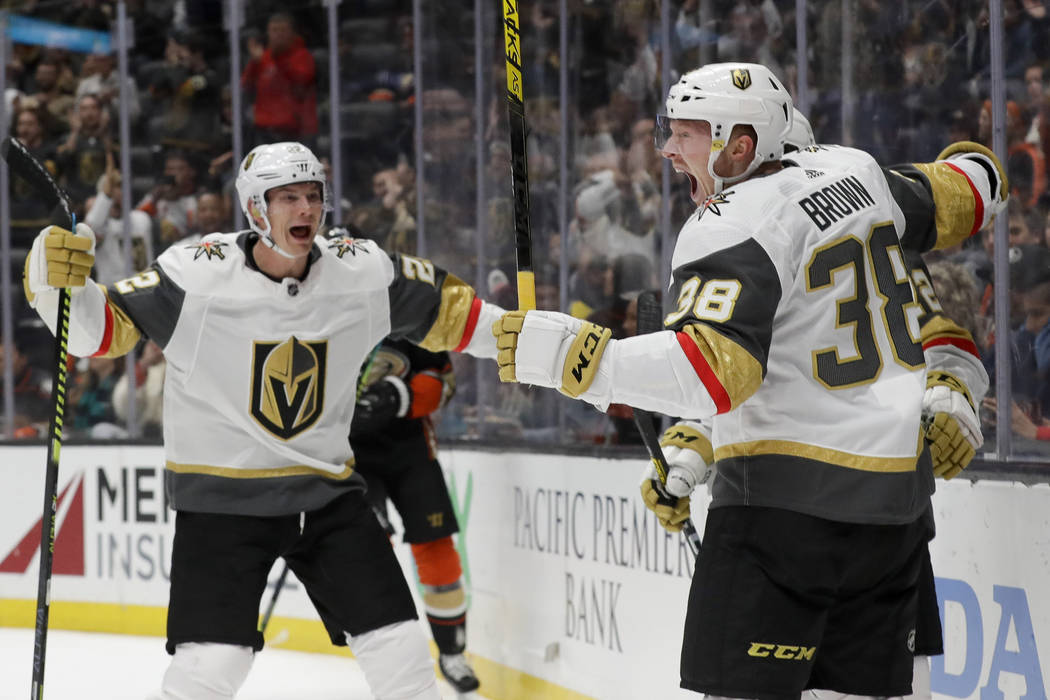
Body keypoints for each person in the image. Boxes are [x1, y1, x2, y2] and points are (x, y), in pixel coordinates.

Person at [492, 62, 1007, 697]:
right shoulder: (860, 175)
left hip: (781, 522)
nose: (668, 149)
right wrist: (699, 443)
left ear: (741, 145)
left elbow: (715, 371)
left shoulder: (734, 220)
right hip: (893, 523)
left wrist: (581, 359)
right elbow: (974, 189)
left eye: (686, 135)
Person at [24, 141, 504, 700]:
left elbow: (460, 314)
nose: (305, 209)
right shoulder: (193, 277)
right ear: (255, 209)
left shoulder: (359, 270)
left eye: (312, 196)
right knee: (209, 672)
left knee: (402, 656)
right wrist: (55, 280)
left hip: (328, 497)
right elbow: (93, 333)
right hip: (222, 506)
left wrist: (536, 342)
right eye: (288, 198)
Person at [781, 108, 991, 700]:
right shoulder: (736, 242)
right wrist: (691, 452)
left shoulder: (872, 239)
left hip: (879, 527)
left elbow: (943, 343)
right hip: (782, 531)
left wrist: (950, 396)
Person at [350, 334, 481, 694]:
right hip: (348, 452)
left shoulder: (410, 304)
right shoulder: (327, 297)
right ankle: (389, 658)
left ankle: (452, 652)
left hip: (410, 449)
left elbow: (443, 384)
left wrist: (398, 396)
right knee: (370, 551)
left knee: (437, 550)